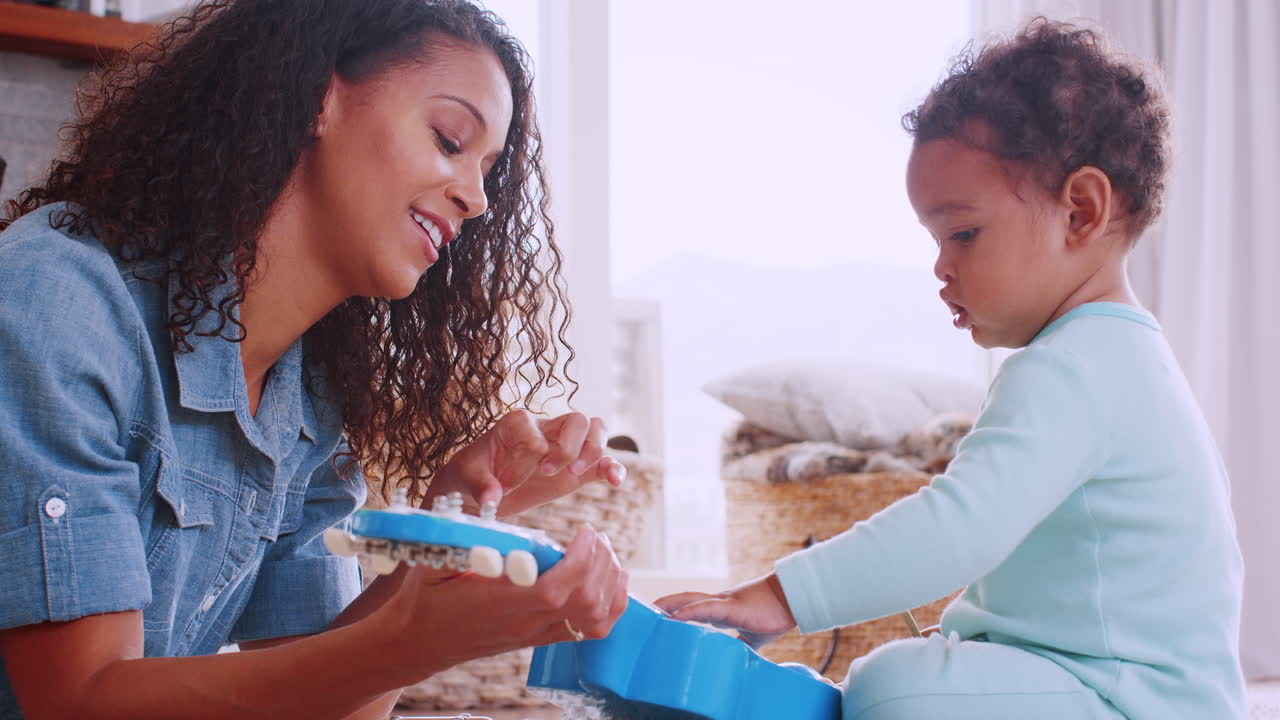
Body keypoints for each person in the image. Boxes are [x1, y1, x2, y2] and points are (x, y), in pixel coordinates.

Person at [0, 1, 630, 717]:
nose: (478, 199)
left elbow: (330, 704)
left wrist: (453, 523)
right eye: (451, 138)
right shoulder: (57, 301)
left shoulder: (308, 405)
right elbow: (81, 701)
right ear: (316, 100)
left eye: (489, 170)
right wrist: (413, 641)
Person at [657, 19, 1246, 720]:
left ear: (1080, 211)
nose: (941, 265)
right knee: (923, 676)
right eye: (936, 240)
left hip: (1131, 700)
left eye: (963, 233)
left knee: (892, 686)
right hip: (1132, 687)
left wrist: (779, 595)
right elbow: (1056, 582)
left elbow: (958, 529)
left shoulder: (1074, 368)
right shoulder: (1119, 357)